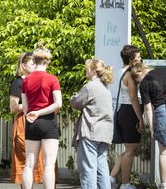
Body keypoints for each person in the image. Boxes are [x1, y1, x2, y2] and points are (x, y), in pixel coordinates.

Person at [130, 62, 166, 189]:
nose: (138, 82)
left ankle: (163, 186)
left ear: (138, 73)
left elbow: (148, 108)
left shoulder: (145, 82)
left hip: (163, 112)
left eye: (136, 80)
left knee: (164, 153)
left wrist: (152, 127)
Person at [21, 44, 62, 189]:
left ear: (35, 60)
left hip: (31, 122)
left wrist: (32, 114)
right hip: (48, 122)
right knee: (49, 164)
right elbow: (58, 104)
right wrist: (40, 112)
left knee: (29, 163)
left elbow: (25, 107)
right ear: (47, 61)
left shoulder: (26, 80)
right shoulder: (52, 79)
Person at [70, 59, 114, 189]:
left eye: (87, 68)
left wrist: (72, 97)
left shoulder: (90, 87)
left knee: (88, 168)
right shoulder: (105, 86)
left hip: (91, 131)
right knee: (102, 167)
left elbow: (76, 103)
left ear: (93, 70)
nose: (86, 71)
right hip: (105, 132)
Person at [110, 45, 144, 189]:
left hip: (123, 112)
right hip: (130, 112)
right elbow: (133, 98)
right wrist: (141, 120)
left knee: (128, 149)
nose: (140, 59)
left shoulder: (121, 71)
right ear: (131, 59)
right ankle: (125, 184)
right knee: (130, 150)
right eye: (138, 57)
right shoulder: (130, 74)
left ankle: (110, 178)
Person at [10, 52, 44, 186]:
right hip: (23, 122)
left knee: (40, 162)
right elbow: (13, 107)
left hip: (38, 122)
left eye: (36, 63)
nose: (35, 66)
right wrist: (32, 103)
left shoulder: (39, 80)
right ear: (24, 66)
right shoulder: (18, 82)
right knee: (25, 160)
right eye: (32, 63)